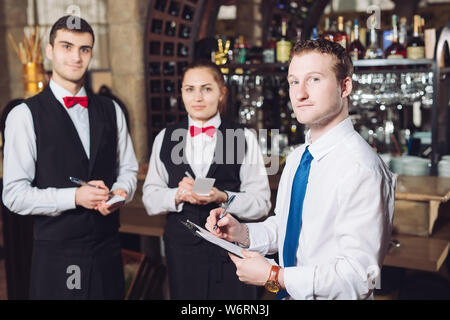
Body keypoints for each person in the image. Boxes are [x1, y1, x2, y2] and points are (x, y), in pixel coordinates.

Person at [205, 39, 396, 300]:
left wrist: (275, 276)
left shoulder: (361, 169)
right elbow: (286, 226)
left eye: (314, 79)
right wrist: (243, 233)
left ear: (345, 86)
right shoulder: (298, 158)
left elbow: (358, 278)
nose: (300, 93)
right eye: (294, 81)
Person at [2, 15, 138, 299]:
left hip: (108, 250)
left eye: (84, 49)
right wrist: (74, 197)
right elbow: (14, 194)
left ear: (91, 53)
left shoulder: (111, 110)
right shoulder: (24, 115)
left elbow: (128, 168)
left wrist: (121, 192)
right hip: (57, 254)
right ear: (50, 51)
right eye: (67, 46)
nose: (76, 57)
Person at [142, 60, 271, 299]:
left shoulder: (242, 137)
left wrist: (223, 197)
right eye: (189, 89)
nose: (197, 97)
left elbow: (262, 203)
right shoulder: (166, 137)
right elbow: (150, 199)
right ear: (181, 93)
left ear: (222, 93)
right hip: (183, 253)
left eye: (206, 88)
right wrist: (178, 195)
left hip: (231, 252)